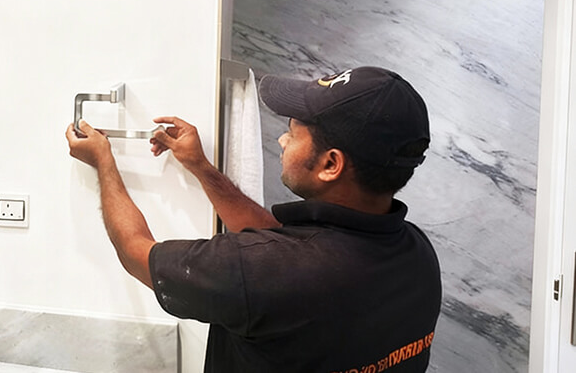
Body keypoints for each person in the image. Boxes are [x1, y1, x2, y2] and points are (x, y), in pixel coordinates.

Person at [64, 66, 441, 372]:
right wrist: (200, 167)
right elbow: (286, 251)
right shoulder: (418, 256)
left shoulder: (259, 271)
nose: (282, 141)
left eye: (293, 132)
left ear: (331, 164)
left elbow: (135, 251)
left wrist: (103, 162)